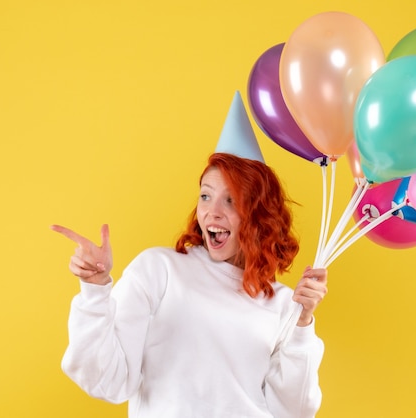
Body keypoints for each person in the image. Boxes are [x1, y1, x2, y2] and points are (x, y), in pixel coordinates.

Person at [52, 151, 329, 418]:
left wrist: (303, 323)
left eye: (231, 200)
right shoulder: (159, 270)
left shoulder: (284, 304)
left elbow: (295, 412)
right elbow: (107, 381)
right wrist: (95, 289)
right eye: (206, 196)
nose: (213, 212)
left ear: (259, 216)